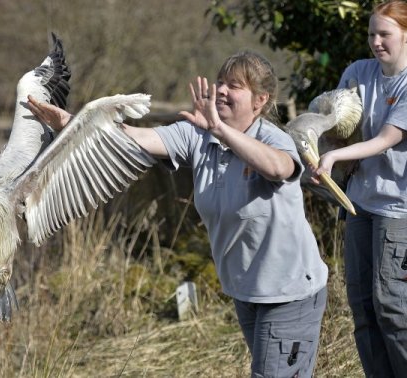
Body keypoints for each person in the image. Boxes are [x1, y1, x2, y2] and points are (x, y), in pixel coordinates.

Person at [29, 50, 328, 377]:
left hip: (290, 293)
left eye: (235, 86)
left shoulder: (272, 139)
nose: (223, 91)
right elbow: (134, 139)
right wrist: (72, 125)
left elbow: (278, 168)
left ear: (260, 100)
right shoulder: (197, 135)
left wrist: (221, 131)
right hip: (247, 290)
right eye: (220, 83)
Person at [313, 1, 407, 376]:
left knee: (391, 305)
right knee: (363, 306)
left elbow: (386, 138)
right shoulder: (358, 72)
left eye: (385, 34)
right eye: (371, 34)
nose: (376, 42)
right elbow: (336, 121)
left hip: (398, 210)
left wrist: (335, 160)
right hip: (359, 205)